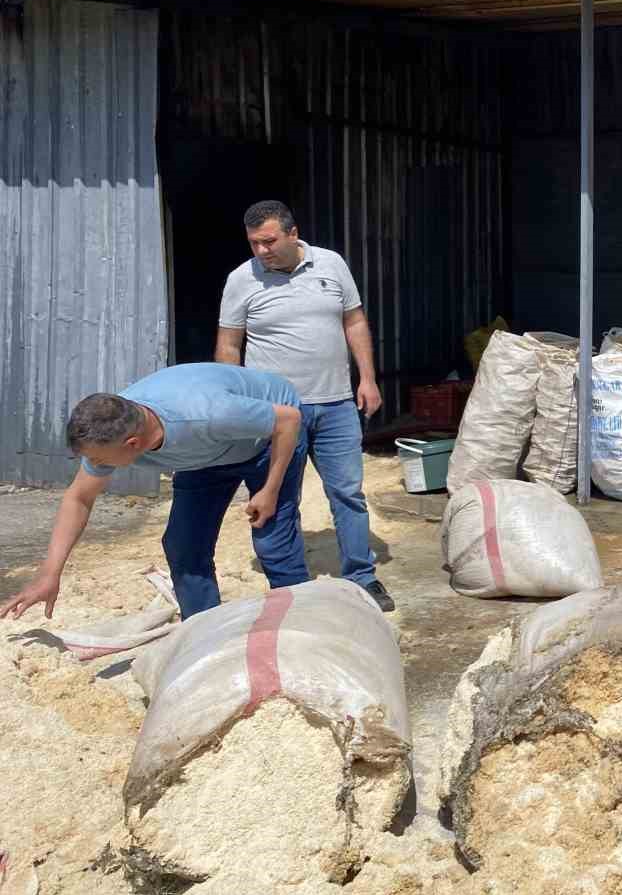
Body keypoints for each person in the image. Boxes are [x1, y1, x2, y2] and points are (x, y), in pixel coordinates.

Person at [1, 364, 309, 622]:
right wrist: (49, 573)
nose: (93, 465)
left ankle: (302, 627)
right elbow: (79, 497)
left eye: (98, 459)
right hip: (206, 453)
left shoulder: (209, 413)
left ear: (133, 444)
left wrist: (270, 489)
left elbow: (288, 420)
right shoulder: (113, 427)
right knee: (183, 544)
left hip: (266, 439)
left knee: (272, 540)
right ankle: (203, 630)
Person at [215, 200, 393, 611]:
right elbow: (228, 344)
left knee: (347, 493)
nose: (261, 251)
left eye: (269, 241)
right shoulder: (241, 280)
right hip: (277, 415)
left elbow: (355, 322)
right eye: (254, 244)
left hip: (335, 404)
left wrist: (367, 378)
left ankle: (362, 578)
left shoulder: (331, 265)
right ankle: (290, 588)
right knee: (278, 497)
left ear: (293, 234)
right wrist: (238, 402)